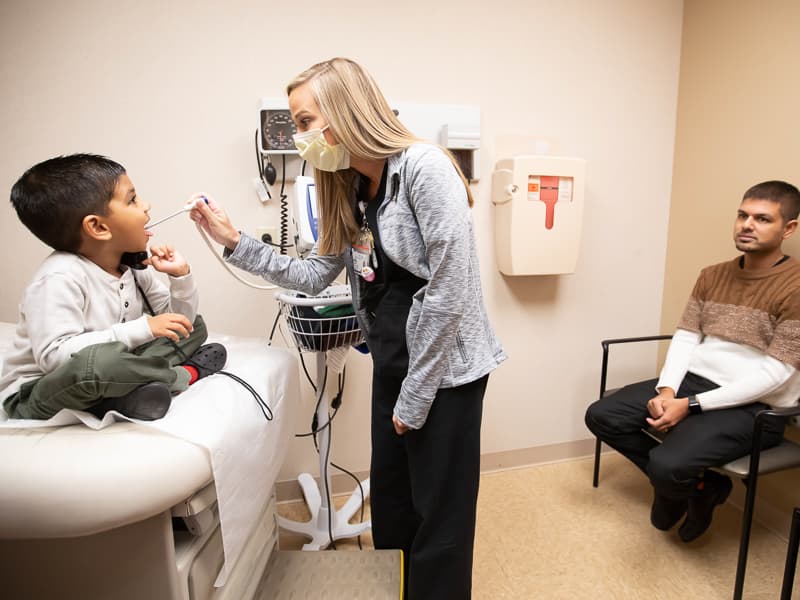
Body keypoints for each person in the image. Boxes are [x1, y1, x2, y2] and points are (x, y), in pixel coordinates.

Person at [191, 57, 506, 599]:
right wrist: (233, 240)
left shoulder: (425, 168)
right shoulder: (351, 186)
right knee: (392, 501)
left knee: (441, 515)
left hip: (445, 372)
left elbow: (449, 292)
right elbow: (315, 273)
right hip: (393, 359)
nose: (300, 136)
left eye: (306, 121)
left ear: (347, 110)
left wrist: (414, 399)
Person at [585, 180, 800, 542]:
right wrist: (669, 390)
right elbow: (685, 337)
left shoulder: (795, 286)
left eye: (762, 219)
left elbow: (777, 374)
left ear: (788, 229)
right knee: (603, 415)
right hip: (694, 384)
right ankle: (701, 486)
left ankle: (672, 481)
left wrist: (691, 406)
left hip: (755, 406)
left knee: (667, 464)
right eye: (742, 215)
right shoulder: (712, 274)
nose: (747, 225)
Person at [0, 154, 226, 421]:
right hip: (42, 389)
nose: (146, 206)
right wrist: (144, 328)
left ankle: (125, 390)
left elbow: (181, 319)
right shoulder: (58, 278)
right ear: (97, 226)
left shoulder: (130, 266)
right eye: (132, 200)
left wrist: (180, 279)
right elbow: (55, 358)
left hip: (113, 364)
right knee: (99, 365)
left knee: (192, 326)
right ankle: (182, 375)